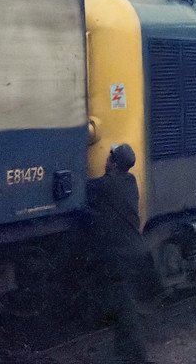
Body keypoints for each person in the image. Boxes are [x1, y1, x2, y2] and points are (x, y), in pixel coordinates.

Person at [84, 143, 153, 364]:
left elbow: (83, 188)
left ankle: (138, 358)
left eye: (108, 157)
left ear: (113, 164)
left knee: (124, 309)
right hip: (135, 252)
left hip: (121, 258)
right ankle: (123, 351)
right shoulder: (130, 181)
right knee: (121, 305)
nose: (105, 159)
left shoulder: (106, 186)